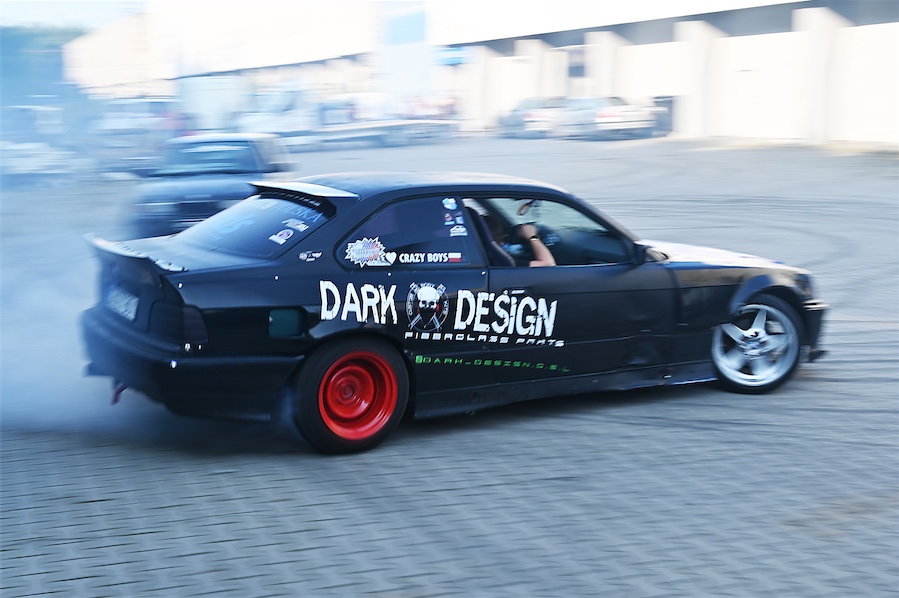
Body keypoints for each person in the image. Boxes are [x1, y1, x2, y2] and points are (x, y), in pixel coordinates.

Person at [485, 214, 555, 267]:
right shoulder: (498, 261)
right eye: (494, 227)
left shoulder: (484, 256)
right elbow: (548, 265)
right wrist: (532, 236)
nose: (501, 230)